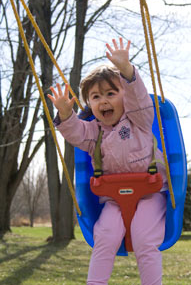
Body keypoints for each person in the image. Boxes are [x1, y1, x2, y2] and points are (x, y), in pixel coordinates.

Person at [48, 37, 168, 285]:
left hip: (150, 193)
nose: (103, 100)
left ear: (125, 97)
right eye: (95, 96)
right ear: (90, 105)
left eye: (111, 93)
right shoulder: (94, 133)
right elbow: (75, 132)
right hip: (113, 198)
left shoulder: (140, 120)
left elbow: (139, 98)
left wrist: (126, 71)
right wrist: (65, 114)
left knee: (145, 238)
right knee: (104, 236)